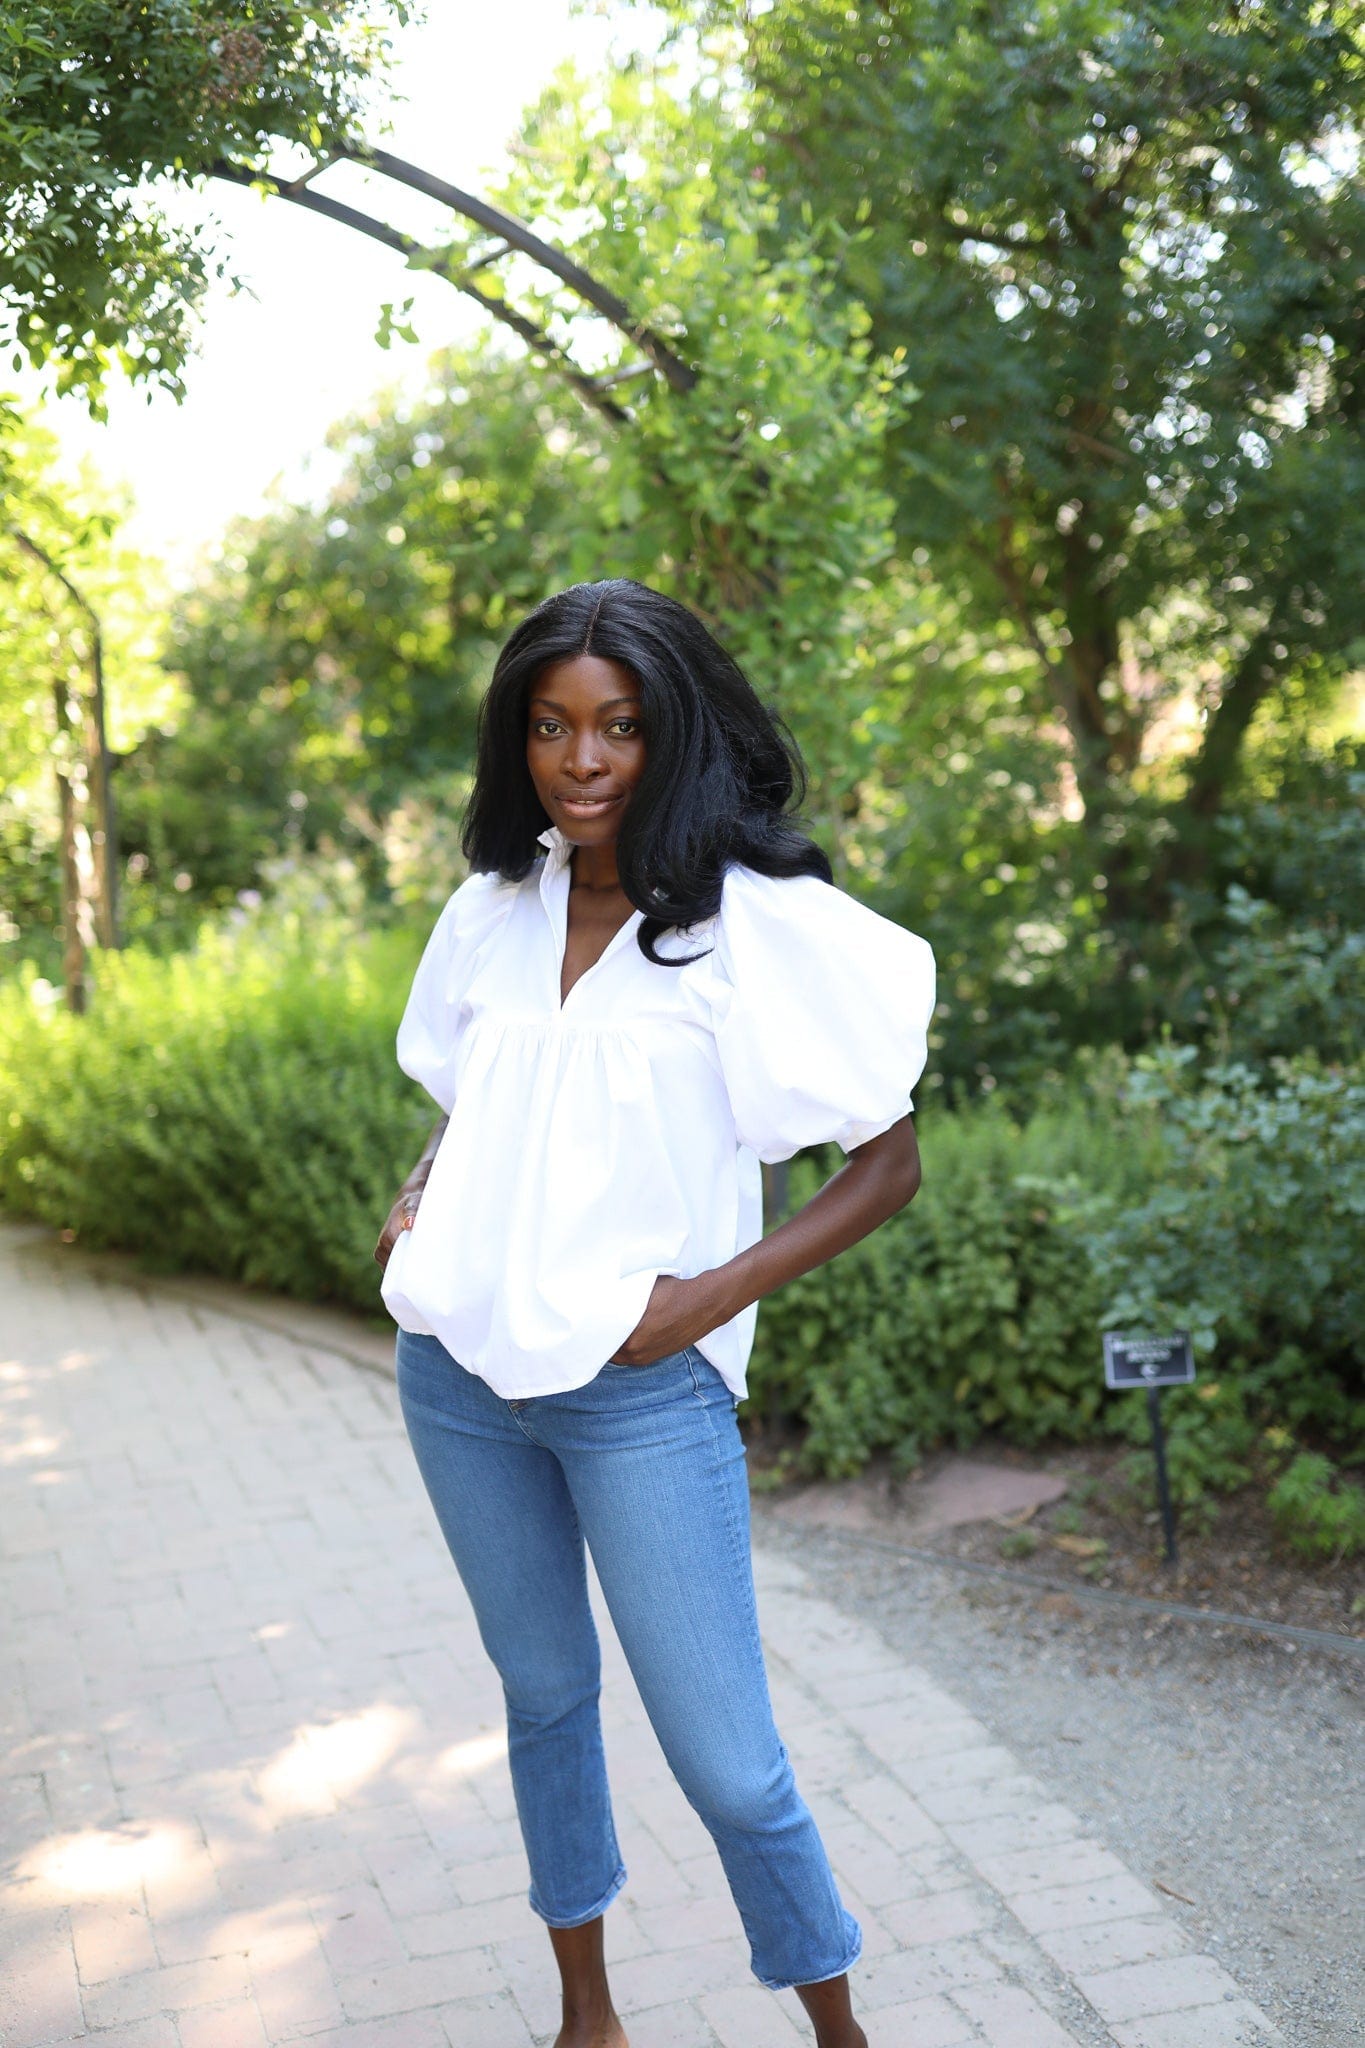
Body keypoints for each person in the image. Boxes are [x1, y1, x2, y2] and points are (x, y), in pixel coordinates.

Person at [375, 579, 935, 2048]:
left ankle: (838, 2033)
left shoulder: (753, 926)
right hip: (453, 1373)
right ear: (519, 742)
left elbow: (890, 1162)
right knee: (545, 1697)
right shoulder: (492, 909)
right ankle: (586, 2018)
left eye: (619, 726)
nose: (582, 760)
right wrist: (422, 1185)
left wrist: (704, 1299)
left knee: (729, 1766)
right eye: (551, 727)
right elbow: (479, 1091)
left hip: (639, 1391)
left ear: (670, 730)